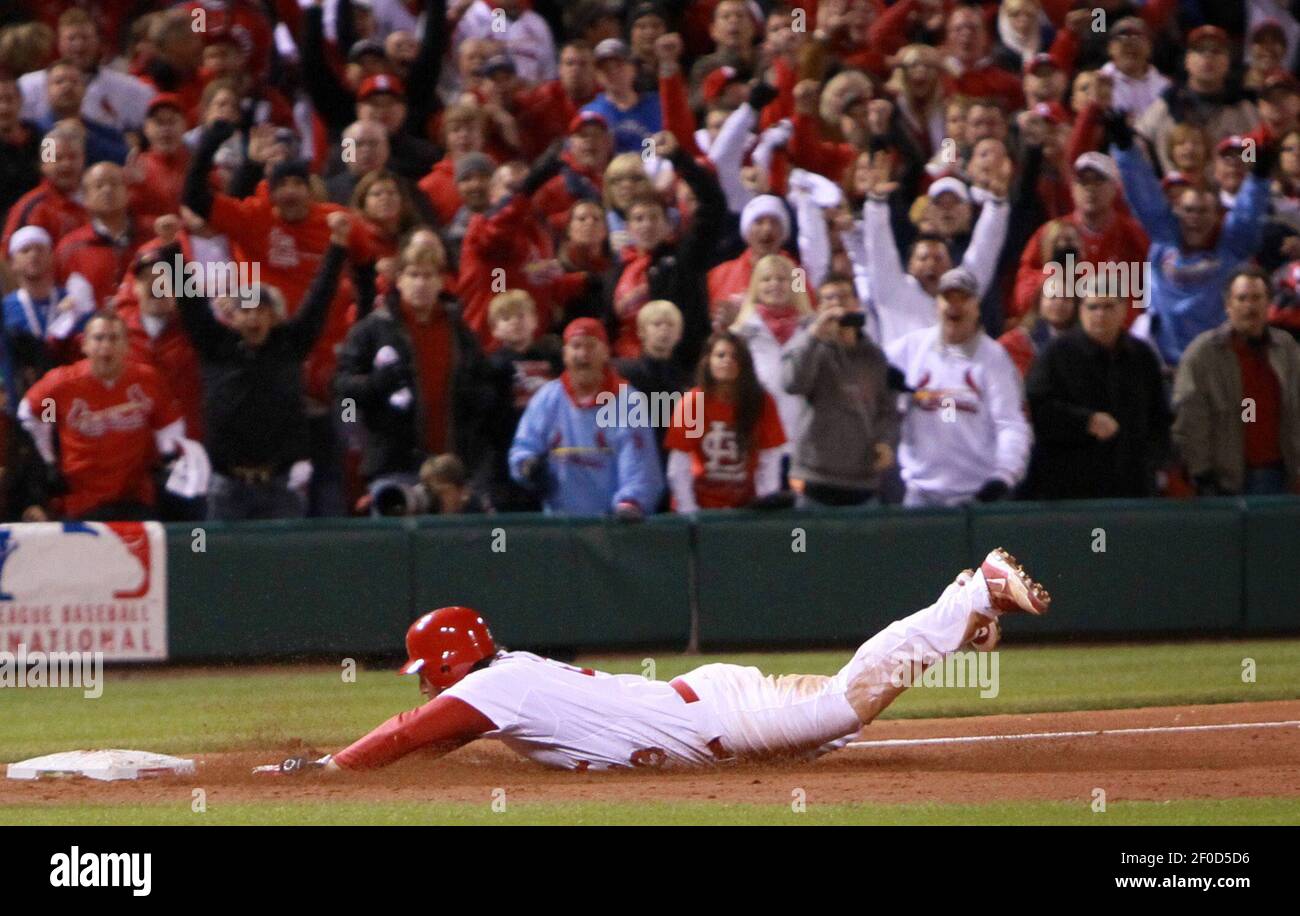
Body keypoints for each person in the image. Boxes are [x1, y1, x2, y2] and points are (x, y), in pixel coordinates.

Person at [258, 548, 1050, 773]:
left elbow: (406, 731)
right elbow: (434, 731)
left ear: (448, 663)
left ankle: (969, 597)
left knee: (843, 707)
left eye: (427, 670)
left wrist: (329, 769)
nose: (426, 683)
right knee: (827, 732)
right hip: (699, 703)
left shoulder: (494, 688)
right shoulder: (506, 677)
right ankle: (957, 617)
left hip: (714, 718)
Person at [170, 213, 349, 520]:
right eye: (246, 310)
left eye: (261, 310)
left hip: (280, 485)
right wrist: (170, 249)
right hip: (226, 485)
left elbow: (319, 298)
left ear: (272, 316)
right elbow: (190, 303)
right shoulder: (215, 347)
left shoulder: (290, 345)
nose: (253, 318)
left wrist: (338, 246)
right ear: (232, 317)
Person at [334, 241, 490, 504]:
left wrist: (476, 399)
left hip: (452, 467)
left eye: (429, 275)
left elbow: (483, 379)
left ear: (441, 282)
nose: (421, 283)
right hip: (394, 465)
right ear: (399, 280)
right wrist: (377, 384)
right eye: (413, 275)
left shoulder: (459, 329)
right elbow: (341, 386)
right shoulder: (373, 328)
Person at [886, 267, 1031, 507]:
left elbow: (1011, 424)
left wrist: (1003, 476)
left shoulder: (994, 358)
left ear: (976, 307)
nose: (955, 306)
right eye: (947, 298)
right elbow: (865, 365)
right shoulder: (910, 349)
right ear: (936, 305)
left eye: (963, 299)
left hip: (978, 496)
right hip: (919, 494)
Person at [18, 311, 184, 521]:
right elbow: (31, 413)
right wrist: (48, 457)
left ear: (127, 346)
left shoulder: (147, 380)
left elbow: (168, 423)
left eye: (114, 338)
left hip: (135, 499)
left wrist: (168, 455)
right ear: (84, 345)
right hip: (81, 503)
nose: (106, 346)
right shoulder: (60, 384)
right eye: (99, 338)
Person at [508, 317, 663, 517]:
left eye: (591, 346)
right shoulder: (547, 398)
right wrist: (527, 467)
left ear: (606, 352)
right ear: (565, 354)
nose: (583, 354)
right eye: (576, 346)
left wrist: (630, 503)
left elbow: (640, 466)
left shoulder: (629, 401)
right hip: (558, 524)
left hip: (610, 528)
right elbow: (524, 447)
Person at [1025, 294, 1172, 500]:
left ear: (1123, 310)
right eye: (1093, 307)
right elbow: (1038, 408)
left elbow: (1159, 416)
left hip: (1132, 486)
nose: (1100, 314)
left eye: (1108, 307)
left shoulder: (1142, 355)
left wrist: (1155, 460)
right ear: (1081, 310)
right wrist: (1084, 422)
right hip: (1070, 488)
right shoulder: (1057, 353)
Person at [1173, 269, 1300, 496]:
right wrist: (1200, 472)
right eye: (1241, 298)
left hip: (1279, 473)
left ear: (1269, 303)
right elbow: (1190, 417)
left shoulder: (1287, 349)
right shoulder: (1202, 354)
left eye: (1257, 298)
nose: (1249, 306)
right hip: (1223, 479)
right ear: (1227, 305)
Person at [782, 275, 899, 507]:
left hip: (863, 480)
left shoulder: (874, 356)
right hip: (814, 477)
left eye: (843, 297)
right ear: (819, 307)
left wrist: (886, 443)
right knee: (808, 543)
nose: (837, 304)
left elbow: (887, 410)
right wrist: (815, 334)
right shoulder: (808, 345)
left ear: (856, 303)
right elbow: (792, 382)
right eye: (829, 299)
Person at [664, 331, 785, 512]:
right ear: (708, 361)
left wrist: (764, 504)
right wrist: (689, 510)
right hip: (700, 506)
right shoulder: (692, 402)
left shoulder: (763, 401)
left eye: (734, 356)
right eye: (720, 355)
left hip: (747, 508)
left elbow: (770, 459)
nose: (727, 360)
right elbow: (678, 465)